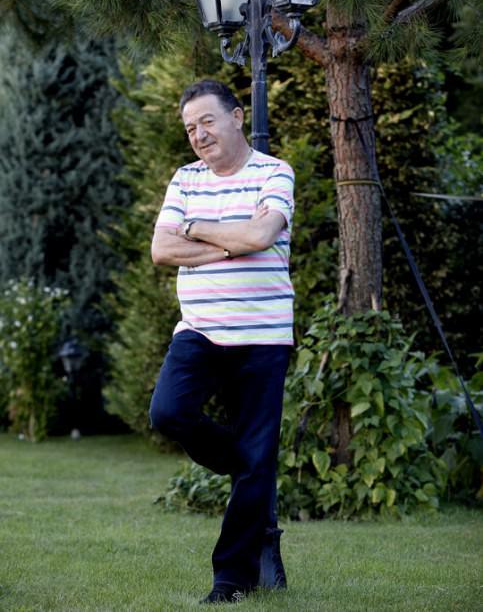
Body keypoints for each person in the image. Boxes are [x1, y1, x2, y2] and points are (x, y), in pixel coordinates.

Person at [149, 79, 295, 604]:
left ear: (237, 116)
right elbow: (162, 251)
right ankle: (245, 461)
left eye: (207, 121)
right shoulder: (185, 178)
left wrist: (195, 229)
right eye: (191, 128)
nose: (199, 135)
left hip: (263, 337)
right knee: (168, 413)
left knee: (256, 462)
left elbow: (261, 236)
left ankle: (230, 580)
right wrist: (230, 241)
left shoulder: (274, 172)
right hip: (201, 330)